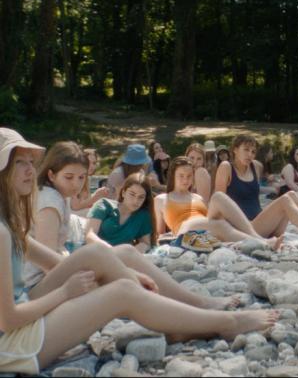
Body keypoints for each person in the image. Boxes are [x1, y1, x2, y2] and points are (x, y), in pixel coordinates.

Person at [0, 129, 279, 376]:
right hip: (12, 345)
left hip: (24, 309)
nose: (29, 170)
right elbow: (8, 319)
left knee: (102, 255)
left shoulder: (8, 222)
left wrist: (117, 269)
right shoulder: (5, 228)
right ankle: (224, 322)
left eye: (30, 162)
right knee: (122, 292)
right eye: (18, 162)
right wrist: (65, 292)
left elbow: (53, 260)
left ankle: (185, 313)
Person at [215, 135, 298, 240]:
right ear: (235, 149)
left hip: (263, 225)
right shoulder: (226, 167)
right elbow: (218, 202)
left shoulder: (255, 166)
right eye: (246, 150)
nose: (250, 154)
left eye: (253, 151)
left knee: (292, 195)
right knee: (285, 200)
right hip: (244, 228)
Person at [155, 156, 285, 249]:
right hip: (184, 229)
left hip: (206, 226)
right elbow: (160, 233)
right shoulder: (161, 199)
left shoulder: (197, 197)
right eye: (181, 176)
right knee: (219, 224)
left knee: (218, 197)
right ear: (173, 176)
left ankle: (255, 237)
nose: (185, 180)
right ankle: (262, 242)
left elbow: (209, 220)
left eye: (189, 176)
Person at [84, 173, 156, 253]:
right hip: (95, 253)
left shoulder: (143, 215)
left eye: (141, 197)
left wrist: (132, 253)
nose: (136, 201)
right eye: (132, 194)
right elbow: (90, 235)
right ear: (123, 193)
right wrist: (112, 252)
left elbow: (145, 243)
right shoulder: (104, 205)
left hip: (124, 257)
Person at [69, 148, 109, 217]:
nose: (92, 166)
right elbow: (75, 206)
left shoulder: (87, 178)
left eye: (94, 163)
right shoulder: (75, 178)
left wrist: (100, 195)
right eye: (88, 162)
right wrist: (96, 196)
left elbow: (87, 203)